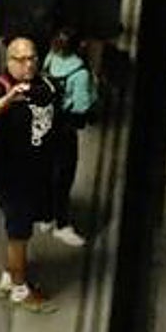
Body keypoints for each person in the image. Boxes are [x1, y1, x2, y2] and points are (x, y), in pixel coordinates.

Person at [0, 36, 61, 312]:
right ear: (9, 61)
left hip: (35, 172)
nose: (28, 64)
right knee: (19, 232)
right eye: (21, 59)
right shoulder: (1, 88)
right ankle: (20, 288)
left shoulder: (44, 84)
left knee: (21, 229)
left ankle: (9, 273)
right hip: (11, 176)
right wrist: (7, 100)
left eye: (32, 58)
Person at [41, 27, 97, 247]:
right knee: (64, 177)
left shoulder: (51, 58)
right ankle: (62, 224)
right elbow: (82, 107)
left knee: (46, 170)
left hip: (44, 123)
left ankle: (46, 215)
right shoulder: (80, 72)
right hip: (64, 129)